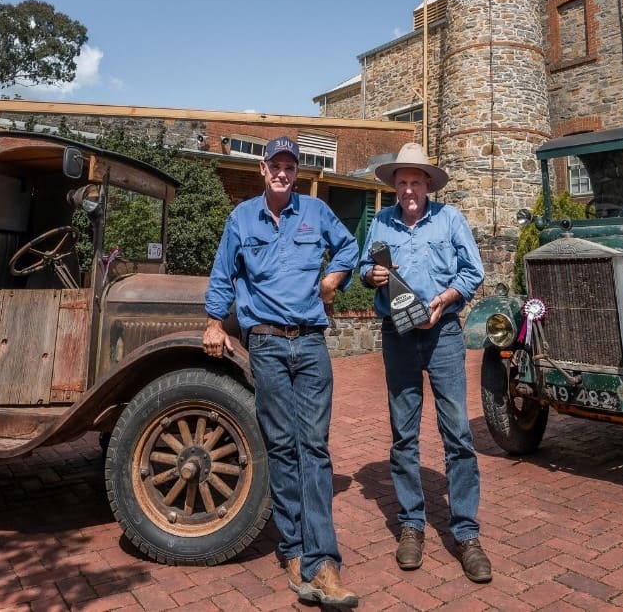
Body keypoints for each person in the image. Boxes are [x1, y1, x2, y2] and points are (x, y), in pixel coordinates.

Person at [203, 135, 359, 607]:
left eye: (290, 167)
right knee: (283, 446)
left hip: (310, 343)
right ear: (263, 169)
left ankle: (324, 562)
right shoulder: (241, 218)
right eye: (276, 165)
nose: (282, 173)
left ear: (296, 172)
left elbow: (350, 248)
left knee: (314, 447)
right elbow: (223, 272)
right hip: (267, 343)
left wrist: (334, 277)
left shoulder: (315, 212)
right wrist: (214, 321)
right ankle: (294, 551)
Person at [358, 142, 491, 583]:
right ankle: (412, 525)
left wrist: (446, 299)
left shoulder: (450, 219)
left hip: (444, 334)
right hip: (397, 336)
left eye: (416, 182)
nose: (409, 189)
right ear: (394, 186)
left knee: (457, 433)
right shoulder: (380, 221)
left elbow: (472, 273)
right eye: (403, 182)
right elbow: (364, 269)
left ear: (428, 184)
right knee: (403, 433)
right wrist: (372, 275)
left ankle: (467, 533)